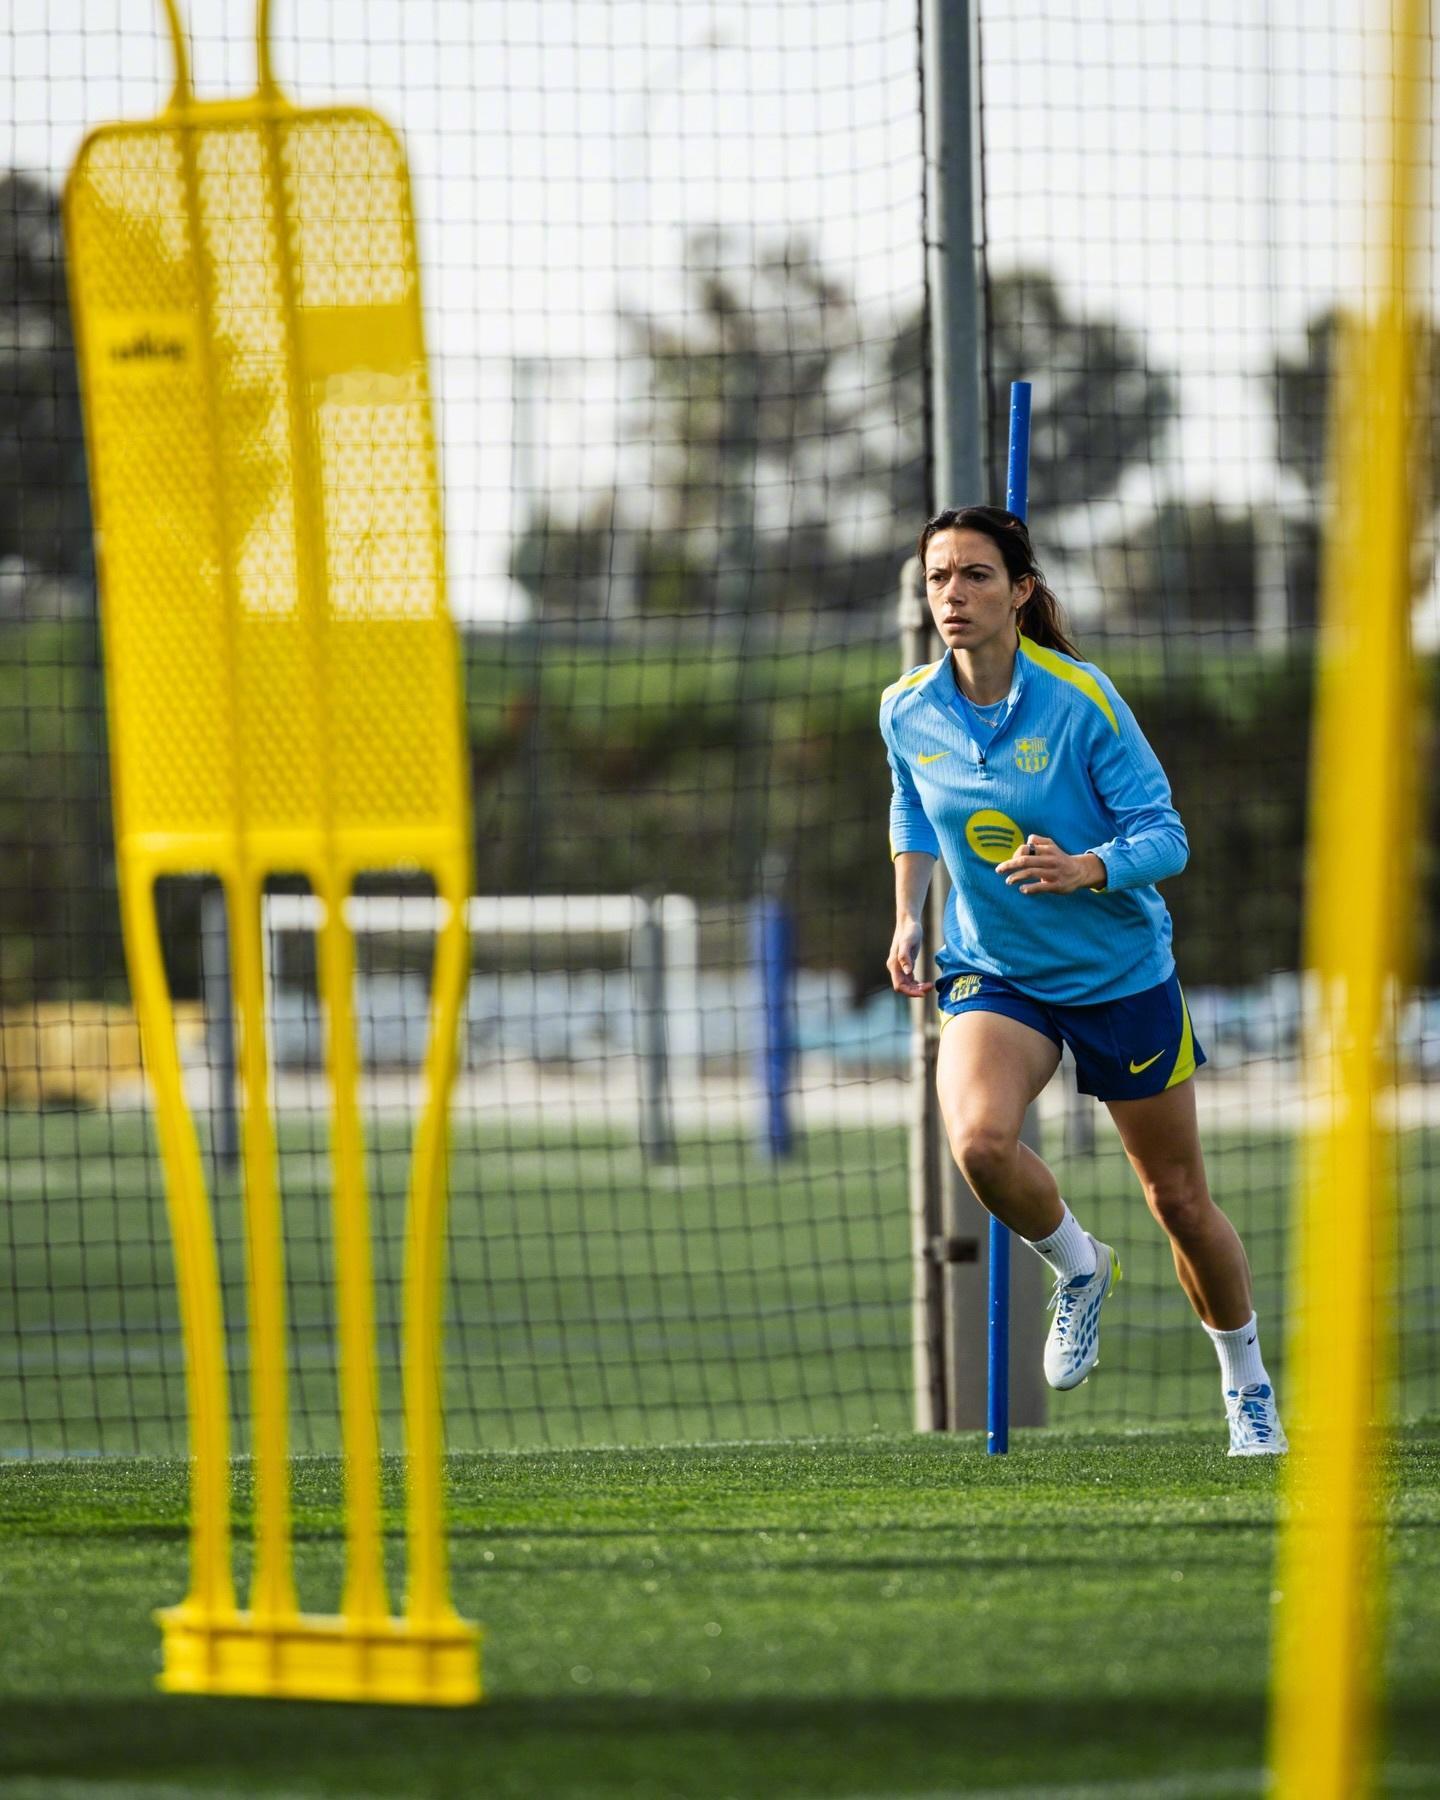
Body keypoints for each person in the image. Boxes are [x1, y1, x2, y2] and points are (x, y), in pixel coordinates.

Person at [880, 505, 1285, 1456]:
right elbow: (911, 803)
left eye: (976, 576)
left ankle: (1247, 1384)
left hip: (1118, 974)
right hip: (996, 971)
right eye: (939, 578)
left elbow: (1166, 837)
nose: (954, 595)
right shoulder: (906, 705)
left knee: (1179, 1200)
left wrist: (1084, 867)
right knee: (980, 1144)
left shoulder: (1083, 699)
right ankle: (1078, 1264)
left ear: (1020, 592)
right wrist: (907, 911)